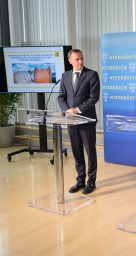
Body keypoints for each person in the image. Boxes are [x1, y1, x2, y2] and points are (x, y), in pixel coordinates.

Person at [58, 49, 100, 195]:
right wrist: (67, 110)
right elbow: (61, 97)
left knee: (90, 152)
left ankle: (91, 182)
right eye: (77, 59)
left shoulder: (92, 74)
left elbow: (94, 97)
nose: (80, 62)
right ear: (70, 61)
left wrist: (77, 109)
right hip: (71, 121)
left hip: (87, 121)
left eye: (81, 58)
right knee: (77, 152)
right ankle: (80, 180)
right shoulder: (65, 76)